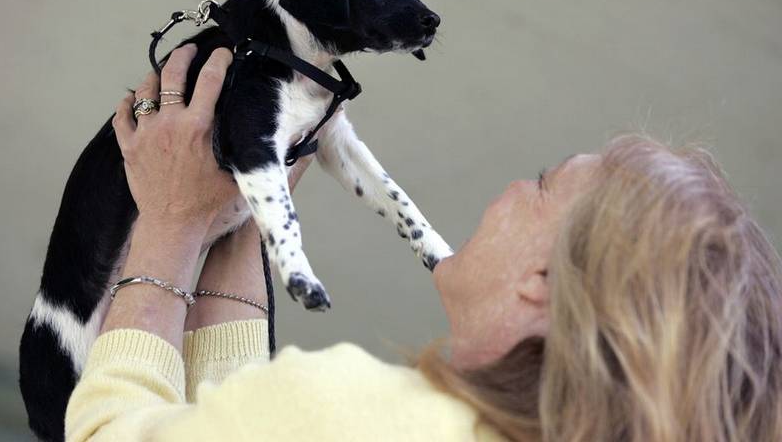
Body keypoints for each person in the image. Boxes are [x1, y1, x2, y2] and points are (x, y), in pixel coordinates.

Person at [65, 46, 782, 441]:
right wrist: (245, 209)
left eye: (541, 185)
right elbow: (226, 427)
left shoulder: (371, 419)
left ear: (544, 281)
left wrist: (168, 225)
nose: (510, 188)